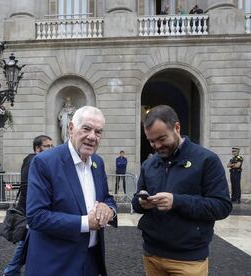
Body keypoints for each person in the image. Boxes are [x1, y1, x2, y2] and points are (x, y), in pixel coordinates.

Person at [132, 105, 232, 276]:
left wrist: (176, 201)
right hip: (152, 255)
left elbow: (222, 206)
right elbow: (136, 200)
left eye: (162, 139)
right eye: (151, 141)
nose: (156, 145)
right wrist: (141, 203)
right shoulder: (149, 164)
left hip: (188, 260)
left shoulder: (207, 160)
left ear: (177, 128)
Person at [26, 106, 117, 276]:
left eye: (98, 132)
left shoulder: (98, 162)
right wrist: (85, 223)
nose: (92, 136)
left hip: (91, 262)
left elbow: (107, 198)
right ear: (70, 129)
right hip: (56, 264)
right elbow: (36, 216)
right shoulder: (44, 162)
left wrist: (109, 210)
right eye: (86, 128)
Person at [3, 135, 53, 276]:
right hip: (30, 211)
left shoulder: (41, 161)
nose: (51, 148)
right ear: (37, 148)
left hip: (36, 209)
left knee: (29, 242)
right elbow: (26, 186)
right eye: (47, 146)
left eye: (51, 146)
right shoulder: (32, 160)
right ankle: (10, 271)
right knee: (26, 242)